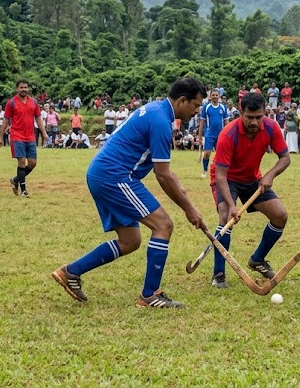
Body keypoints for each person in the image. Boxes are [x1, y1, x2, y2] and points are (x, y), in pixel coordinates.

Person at [52, 78, 207, 309]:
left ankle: (70, 272)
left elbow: (166, 171)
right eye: (195, 105)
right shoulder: (161, 121)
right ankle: (150, 295)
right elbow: (162, 175)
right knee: (163, 225)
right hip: (115, 176)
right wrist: (189, 209)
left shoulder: (156, 110)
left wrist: (181, 189)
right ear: (182, 100)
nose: (196, 111)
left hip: (102, 174)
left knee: (130, 241)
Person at [208, 92, 291, 288]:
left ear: (264, 113)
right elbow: (220, 176)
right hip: (227, 178)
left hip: (252, 179)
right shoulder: (228, 134)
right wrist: (232, 206)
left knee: (280, 216)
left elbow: (285, 158)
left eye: (258, 117)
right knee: (225, 216)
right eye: (249, 117)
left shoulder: (270, 127)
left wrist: (270, 175)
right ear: (240, 113)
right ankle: (219, 274)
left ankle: (257, 259)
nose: (254, 122)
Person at [0, 79, 47, 198]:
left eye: (25, 87)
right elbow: (5, 120)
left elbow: (38, 118)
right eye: (21, 87)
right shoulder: (11, 103)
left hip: (30, 136)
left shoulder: (33, 102)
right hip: (17, 136)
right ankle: (23, 190)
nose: (23, 89)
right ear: (17, 89)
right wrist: (0, 137)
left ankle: (15, 180)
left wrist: (44, 133)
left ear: (28, 89)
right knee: (21, 161)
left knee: (33, 163)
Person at [198, 89, 228, 177]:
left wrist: (228, 134)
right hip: (209, 134)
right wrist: (200, 136)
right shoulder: (206, 107)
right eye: (213, 95)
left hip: (221, 135)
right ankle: (204, 170)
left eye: (216, 95)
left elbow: (226, 122)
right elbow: (202, 122)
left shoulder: (223, 107)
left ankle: (220, 172)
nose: (215, 97)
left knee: (220, 154)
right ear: (210, 96)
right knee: (207, 153)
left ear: (219, 96)